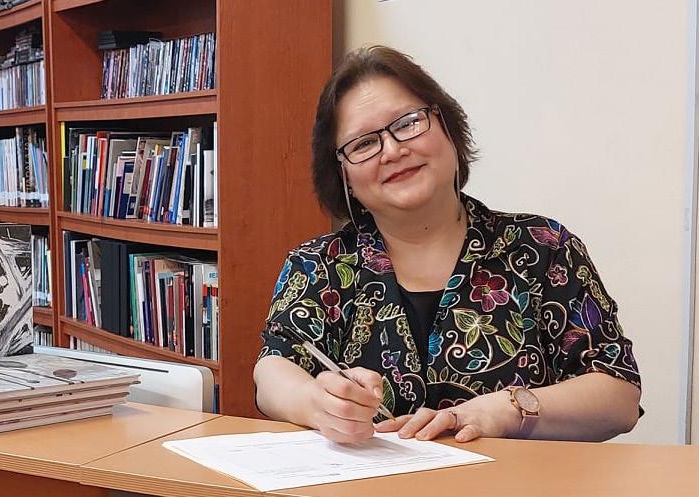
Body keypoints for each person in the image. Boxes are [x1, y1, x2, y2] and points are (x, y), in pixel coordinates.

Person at [253, 46, 641, 444]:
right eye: (363, 144)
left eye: (408, 123)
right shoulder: (319, 264)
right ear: (343, 176)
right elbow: (272, 372)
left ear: (448, 128)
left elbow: (618, 396)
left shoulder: (545, 248)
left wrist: (504, 410)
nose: (392, 151)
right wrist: (317, 403)